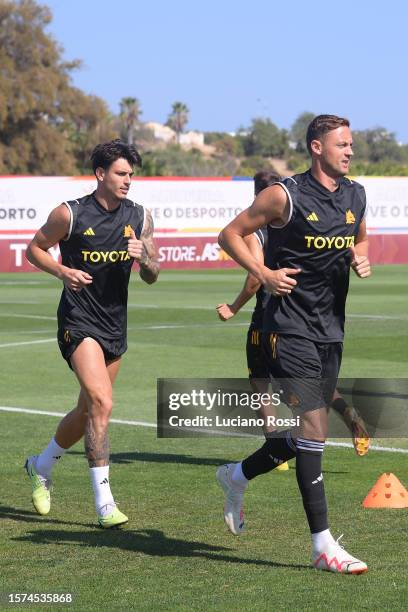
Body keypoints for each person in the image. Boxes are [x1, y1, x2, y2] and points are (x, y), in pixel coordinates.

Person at [216, 115, 371, 574]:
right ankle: (322, 545)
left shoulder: (357, 195)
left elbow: (359, 240)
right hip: (287, 329)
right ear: (316, 147)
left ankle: (237, 475)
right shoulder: (285, 195)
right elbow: (230, 234)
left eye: (352, 144)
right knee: (316, 427)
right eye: (342, 144)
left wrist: (359, 259)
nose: (350, 151)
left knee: (308, 435)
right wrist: (263, 275)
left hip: (331, 329)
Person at [25, 139, 159, 528]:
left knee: (87, 408)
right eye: (121, 173)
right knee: (102, 403)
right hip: (78, 321)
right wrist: (62, 272)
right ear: (100, 174)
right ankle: (104, 503)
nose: (128, 181)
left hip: (115, 326)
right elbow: (35, 248)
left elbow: (153, 275)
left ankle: (40, 466)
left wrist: (144, 257)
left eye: (131, 174)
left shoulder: (140, 216)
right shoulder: (69, 214)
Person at [217, 171, 370, 457]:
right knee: (317, 387)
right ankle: (345, 412)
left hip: (272, 318)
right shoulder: (295, 213)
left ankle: (274, 448)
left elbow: (254, 278)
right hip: (314, 319)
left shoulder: (258, 230)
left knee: (262, 383)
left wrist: (234, 306)